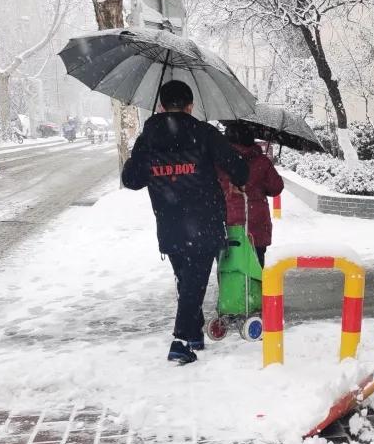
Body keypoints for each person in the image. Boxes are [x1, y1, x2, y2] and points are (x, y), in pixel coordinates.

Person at [121, 80, 248, 364]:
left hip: (169, 223)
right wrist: (237, 178)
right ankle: (180, 340)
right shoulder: (204, 133)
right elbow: (239, 168)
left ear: (161, 106)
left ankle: (193, 334)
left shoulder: (148, 138)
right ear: (190, 106)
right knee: (193, 282)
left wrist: (142, 155)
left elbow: (131, 180)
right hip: (205, 222)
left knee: (187, 281)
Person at [218, 122, 284, 266]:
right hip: (256, 222)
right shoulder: (262, 161)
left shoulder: (219, 161)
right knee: (256, 264)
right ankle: (255, 287)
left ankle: (229, 287)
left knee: (228, 266)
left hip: (227, 220)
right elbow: (276, 187)